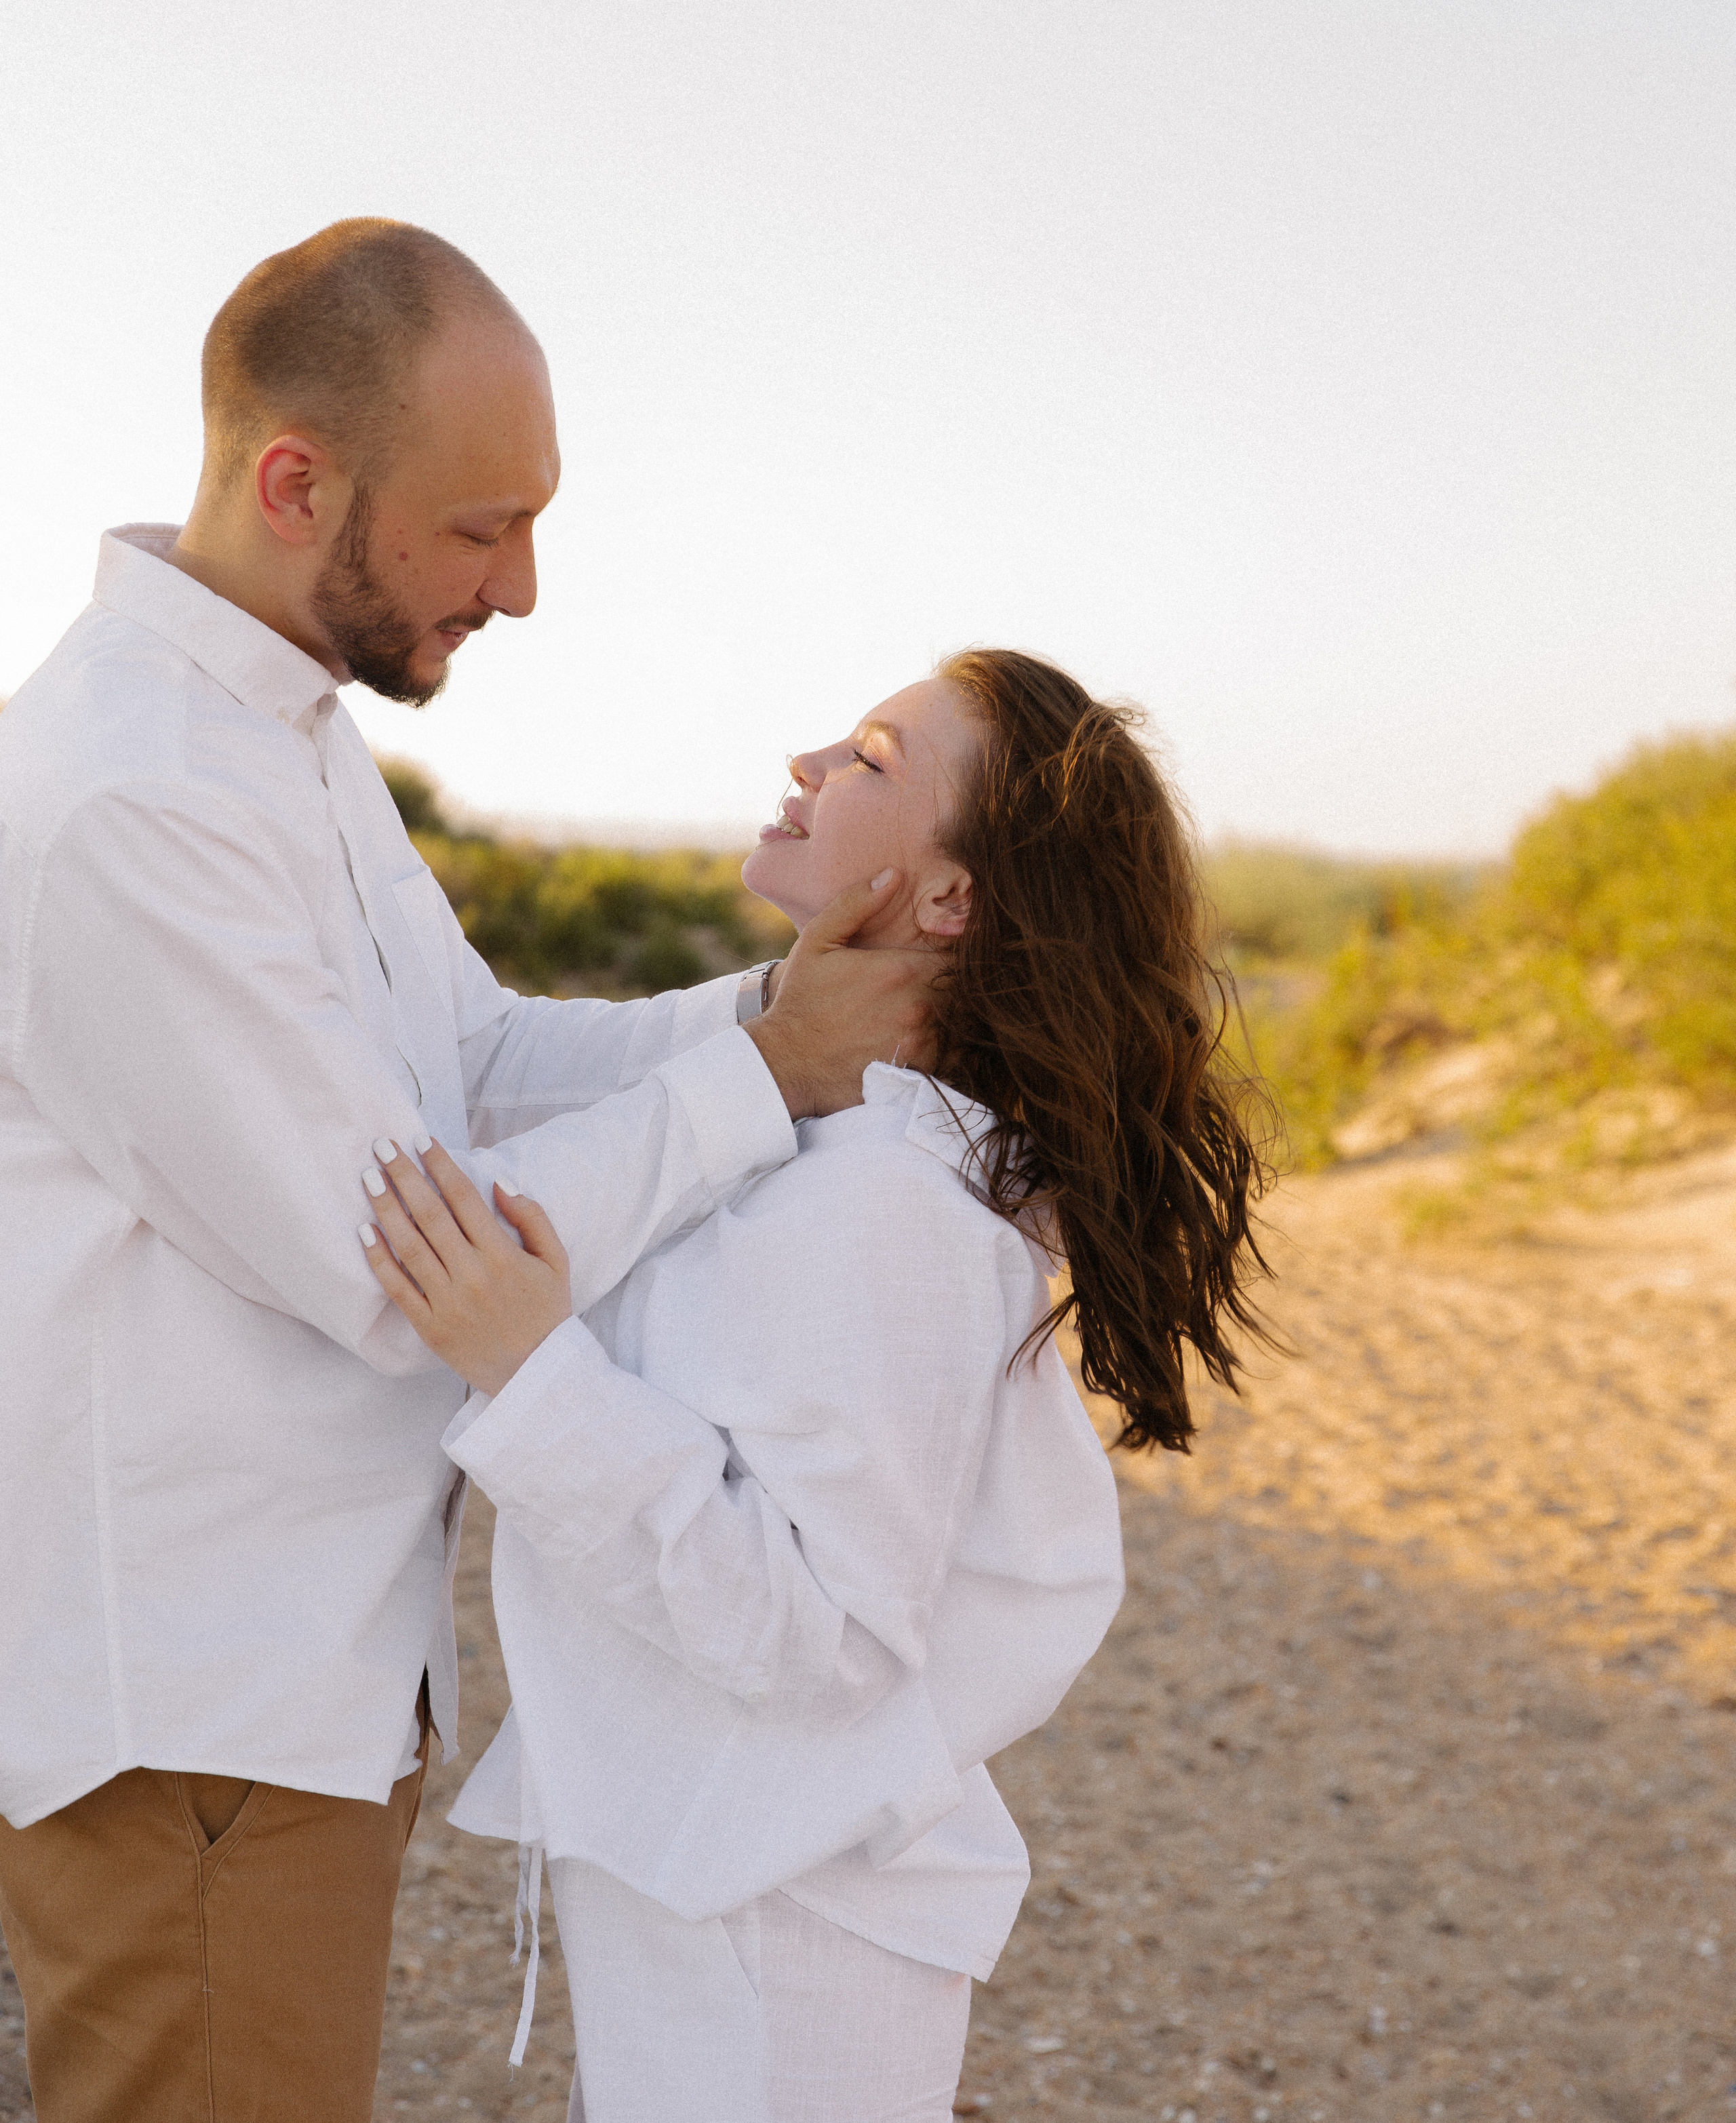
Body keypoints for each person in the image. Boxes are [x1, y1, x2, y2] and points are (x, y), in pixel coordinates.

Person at [0, 219, 935, 2123]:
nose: (521, 587)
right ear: (295, 481)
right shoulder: (134, 796)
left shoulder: (281, 734)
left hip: (282, 1681)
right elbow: (403, 1256)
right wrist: (769, 1076)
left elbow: (486, 1061)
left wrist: (775, 1000)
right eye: (479, 526)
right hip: (194, 1701)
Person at [359, 649, 1276, 2122]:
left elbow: (831, 1635)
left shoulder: (888, 1206)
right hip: (729, 1895)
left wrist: (528, 1371)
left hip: (785, 1939)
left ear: (950, 899)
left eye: (865, 757)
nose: (804, 763)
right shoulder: (821, 1146)